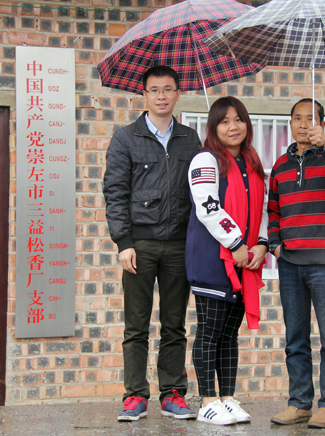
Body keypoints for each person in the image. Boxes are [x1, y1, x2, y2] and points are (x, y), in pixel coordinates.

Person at [103, 65, 201, 422]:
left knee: (175, 325)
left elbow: (201, 190)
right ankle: (135, 396)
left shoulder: (191, 140)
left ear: (178, 94)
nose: (161, 96)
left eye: (168, 89)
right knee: (136, 326)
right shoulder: (125, 138)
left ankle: (173, 393)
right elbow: (115, 191)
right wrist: (123, 241)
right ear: (144, 95)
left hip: (179, 245)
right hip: (139, 246)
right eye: (155, 90)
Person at [268, 98, 325, 429]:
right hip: (290, 261)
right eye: (298, 118)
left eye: (311, 119)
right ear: (290, 123)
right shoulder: (280, 165)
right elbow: (273, 209)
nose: (304, 124)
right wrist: (275, 245)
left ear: (322, 124)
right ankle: (299, 402)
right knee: (296, 338)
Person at [185, 96, 268, 426]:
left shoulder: (251, 162)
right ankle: (208, 401)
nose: (233, 127)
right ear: (213, 127)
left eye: (238, 119)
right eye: (224, 121)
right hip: (213, 258)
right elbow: (208, 207)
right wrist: (236, 243)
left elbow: (261, 207)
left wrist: (260, 244)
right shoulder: (205, 160)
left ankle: (228, 397)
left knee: (230, 334)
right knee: (210, 331)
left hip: (244, 259)